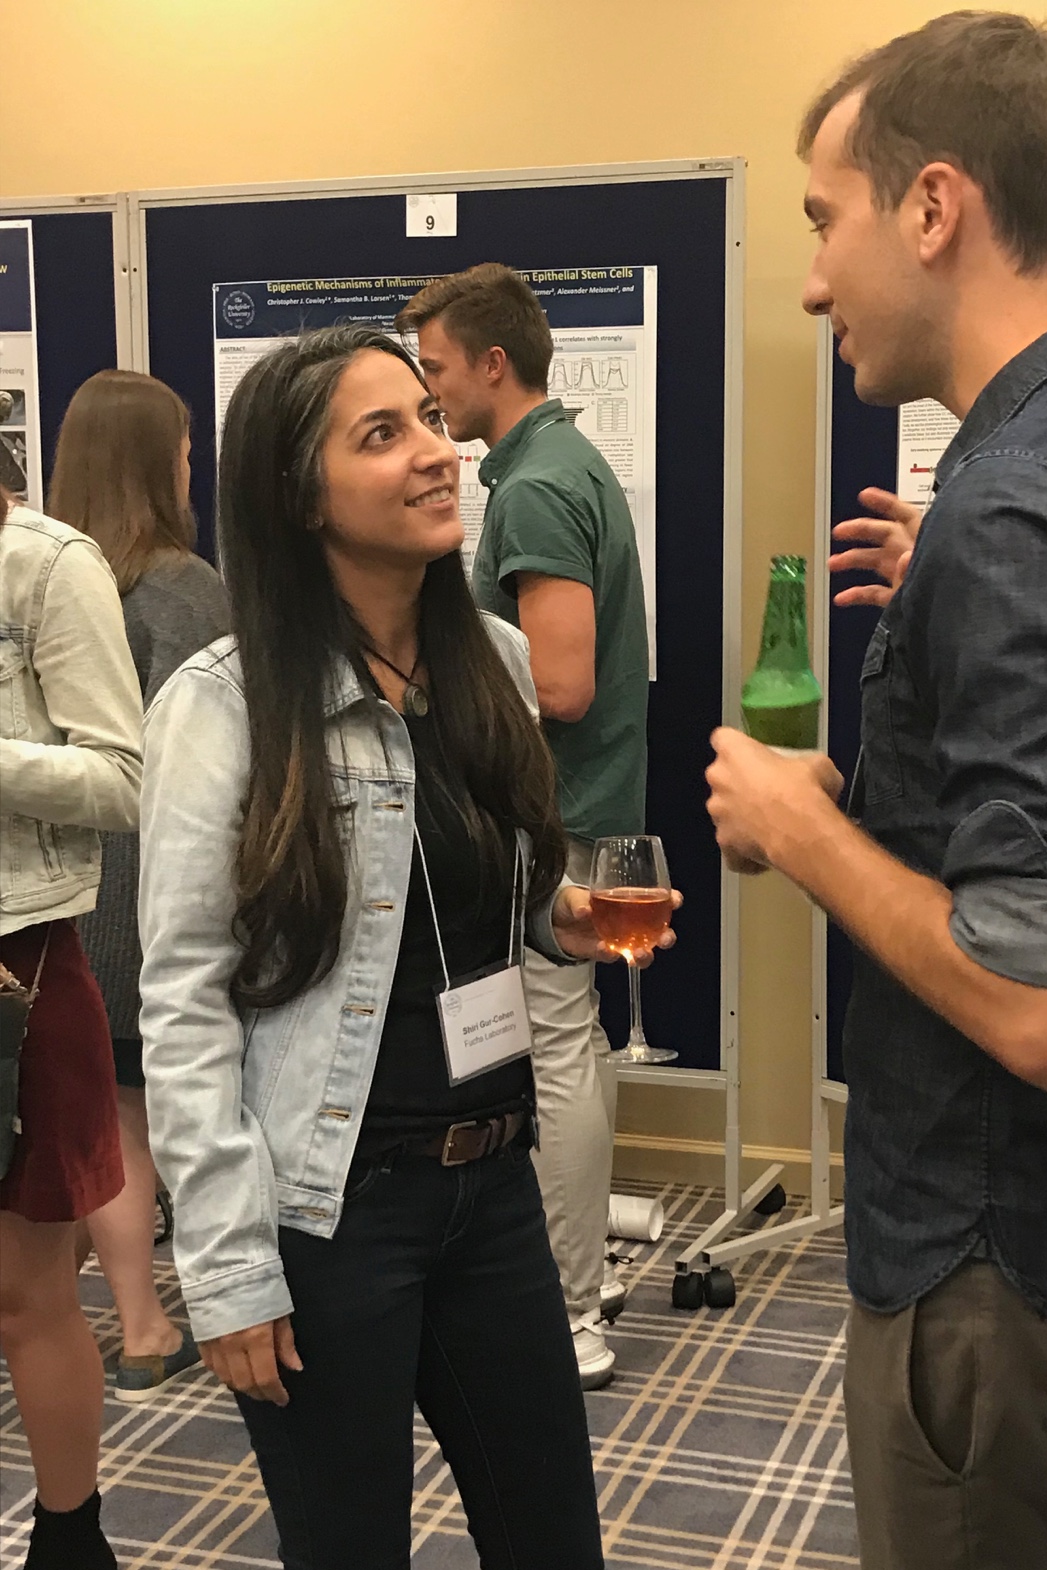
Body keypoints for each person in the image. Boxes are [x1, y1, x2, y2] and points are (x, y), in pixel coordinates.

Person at [705, 14, 1047, 1570]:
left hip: (999, 1270)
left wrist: (800, 829)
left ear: (932, 207)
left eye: (823, 222)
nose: (811, 282)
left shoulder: (1019, 510)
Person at [139, 325, 673, 1570]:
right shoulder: (227, 703)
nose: (437, 452)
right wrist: (226, 1266)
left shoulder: (493, 661)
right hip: (330, 1212)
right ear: (298, 493)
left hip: (491, 1188)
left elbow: (487, 892)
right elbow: (186, 999)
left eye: (430, 419)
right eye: (383, 435)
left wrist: (566, 921)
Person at [399, 265, 650, 1389]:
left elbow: (558, 687)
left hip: (557, 821)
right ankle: (575, 1283)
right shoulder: (557, 464)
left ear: (493, 364)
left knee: (553, 1054)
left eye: (437, 370)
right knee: (570, 1050)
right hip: (572, 813)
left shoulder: (538, 488)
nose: (429, 395)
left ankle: (571, 1313)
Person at [47, 369, 229, 1402]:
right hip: (155, 895)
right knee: (165, 1109)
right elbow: (216, 769)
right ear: (161, 463)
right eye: (187, 449)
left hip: (57, 897)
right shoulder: (188, 594)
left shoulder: (41, 585)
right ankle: (173, 1318)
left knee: (99, 1111)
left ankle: (108, 1317)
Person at [0, 486, 143, 1570]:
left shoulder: (48, 566)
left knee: (25, 1295)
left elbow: (121, 780)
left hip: (17, 969)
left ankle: (70, 1553)